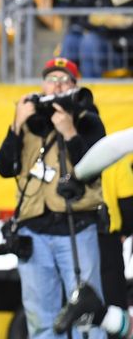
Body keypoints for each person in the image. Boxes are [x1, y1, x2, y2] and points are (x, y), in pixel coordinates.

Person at [0, 57, 107, 339]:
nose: (57, 85)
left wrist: (69, 132)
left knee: (87, 312)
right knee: (40, 318)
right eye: (51, 79)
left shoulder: (88, 119)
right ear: (42, 85)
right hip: (34, 230)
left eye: (64, 80)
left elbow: (93, 170)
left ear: (75, 85)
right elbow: (4, 168)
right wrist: (16, 126)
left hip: (76, 225)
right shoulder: (29, 120)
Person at [52, 127, 133, 337]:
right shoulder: (117, 162)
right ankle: (100, 313)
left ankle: (100, 314)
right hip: (106, 238)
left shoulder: (68, 153)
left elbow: (118, 144)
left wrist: (77, 176)